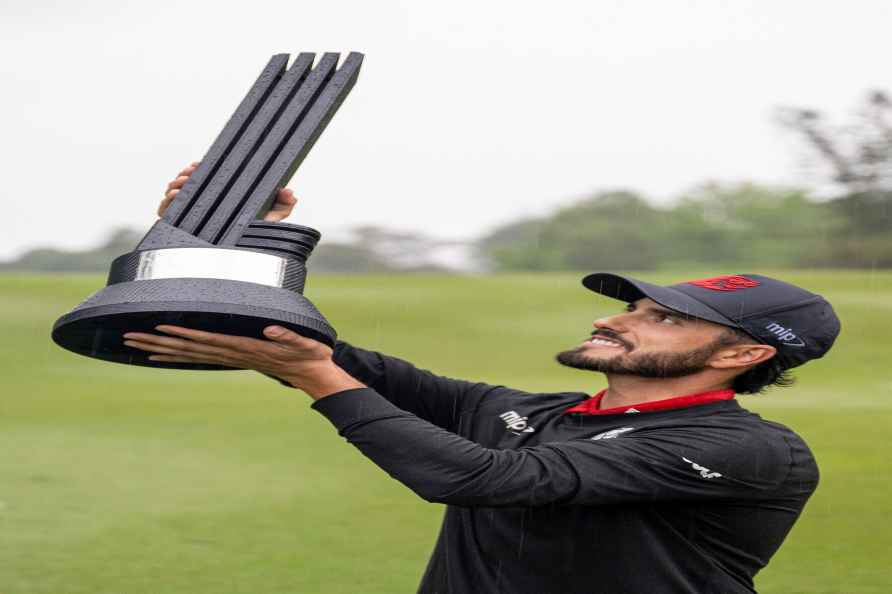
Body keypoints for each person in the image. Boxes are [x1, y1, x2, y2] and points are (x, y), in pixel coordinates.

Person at [126, 165, 841, 594]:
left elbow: (488, 480)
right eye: (632, 306)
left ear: (743, 356)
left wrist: (319, 378)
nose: (620, 320)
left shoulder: (749, 452)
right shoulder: (523, 413)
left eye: (665, 319)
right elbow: (317, 350)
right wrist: (234, 244)